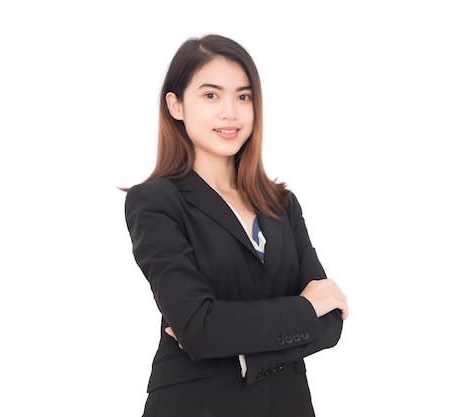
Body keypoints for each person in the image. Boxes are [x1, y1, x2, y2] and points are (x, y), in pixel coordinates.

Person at [123, 33, 349, 417]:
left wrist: (241, 348)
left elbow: (330, 323)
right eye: (211, 95)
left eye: (243, 96)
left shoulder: (281, 204)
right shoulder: (157, 202)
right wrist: (303, 308)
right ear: (176, 106)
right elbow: (198, 328)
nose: (230, 112)